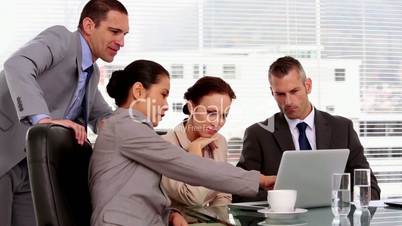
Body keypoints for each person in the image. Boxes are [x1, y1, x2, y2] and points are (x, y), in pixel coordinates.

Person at [89, 59, 276, 226]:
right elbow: (189, 166)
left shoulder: (131, 129)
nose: (166, 105)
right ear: (138, 91)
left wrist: (171, 214)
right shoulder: (126, 127)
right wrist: (261, 179)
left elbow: (142, 194)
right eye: (163, 94)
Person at [0, 0, 129, 225]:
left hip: (34, 165)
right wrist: (44, 120)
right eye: (115, 31)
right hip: (5, 151)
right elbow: (17, 64)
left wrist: (137, 120)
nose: (121, 42)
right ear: (89, 26)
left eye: (124, 34)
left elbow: (102, 117)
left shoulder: (91, 73)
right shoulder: (61, 39)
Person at [234, 56, 380, 202]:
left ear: (308, 86)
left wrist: (341, 201)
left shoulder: (342, 128)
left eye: (294, 91)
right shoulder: (258, 134)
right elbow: (240, 194)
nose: (288, 102)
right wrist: (285, 199)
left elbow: (370, 188)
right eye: (280, 94)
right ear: (272, 92)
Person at [161, 76, 234, 208]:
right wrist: (195, 152)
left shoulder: (219, 141)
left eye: (224, 115)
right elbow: (193, 198)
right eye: (211, 113)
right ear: (191, 108)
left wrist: (217, 221)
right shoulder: (165, 145)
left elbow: (223, 193)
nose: (218, 122)